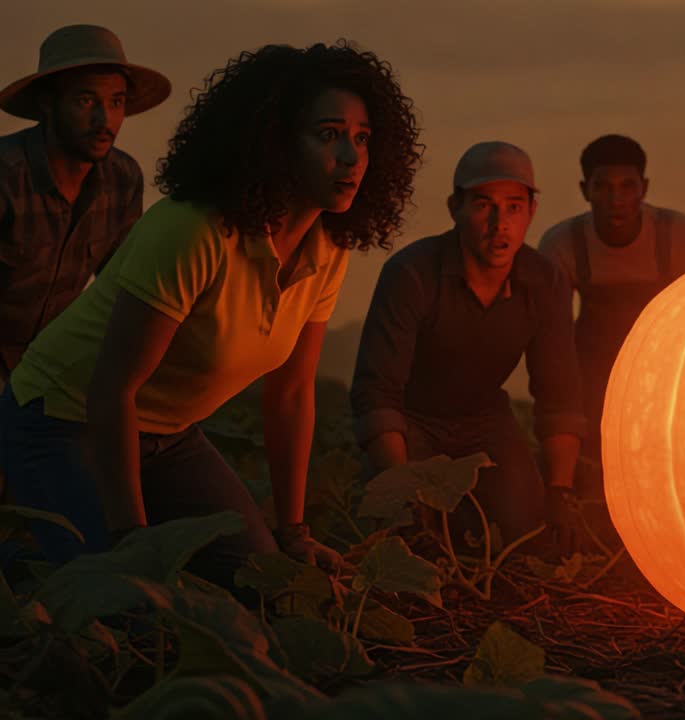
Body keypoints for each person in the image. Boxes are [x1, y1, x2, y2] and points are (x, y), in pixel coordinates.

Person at [0, 41, 422, 591]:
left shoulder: (327, 250)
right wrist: (133, 539)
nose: (351, 157)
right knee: (122, 601)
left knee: (260, 584)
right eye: (328, 134)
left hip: (170, 438)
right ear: (275, 142)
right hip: (61, 420)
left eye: (362, 138)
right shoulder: (194, 230)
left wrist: (293, 533)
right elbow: (111, 390)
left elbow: (292, 393)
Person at [351, 141, 586, 553]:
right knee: (409, 539)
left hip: (485, 420)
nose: (500, 223)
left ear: (531, 211)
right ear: (454, 208)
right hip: (412, 419)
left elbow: (559, 394)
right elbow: (378, 391)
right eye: (483, 205)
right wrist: (400, 485)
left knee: (528, 535)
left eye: (514, 207)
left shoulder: (545, 281)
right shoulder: (412, 273)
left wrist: (560, 490)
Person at [538, 134, 685, 483]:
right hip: (592, 376)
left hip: (666, 373)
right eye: (603, 187)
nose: (615, 200)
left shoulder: (679, 235)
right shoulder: (563, 243)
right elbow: (550, 335)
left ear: (644, 188)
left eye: (627, 187)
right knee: (595, 469)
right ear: (585, 190)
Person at [0, 24, 170, 382]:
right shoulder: (7, 177)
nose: (104, 120)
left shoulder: (122, 179)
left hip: (51, 366)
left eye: (116, 102)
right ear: (47, 103)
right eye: (85, 101)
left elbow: (123, 287)